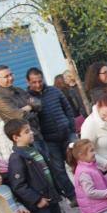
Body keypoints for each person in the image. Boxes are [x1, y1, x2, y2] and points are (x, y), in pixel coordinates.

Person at [26, 67, 76, 201]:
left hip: (67, 134)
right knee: (59, 170)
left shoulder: (54, 91)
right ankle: (73, 196)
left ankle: (87, 191)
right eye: (34, 82)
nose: (37, 84)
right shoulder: (28, 99)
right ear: (28, 82)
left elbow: (68, 109)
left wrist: (71, 127)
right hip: (49, 140)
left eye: (39, 81)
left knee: (78, 163)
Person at [0, 65, 46, 150]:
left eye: (11, 74)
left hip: (36, 134)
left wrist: (28, 107)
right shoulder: (0, 97)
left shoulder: (19, 90)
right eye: (6, 76)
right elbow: (19, 116)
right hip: (24, 140)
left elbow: (38, 104)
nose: (10, 78)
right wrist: (31, 107)